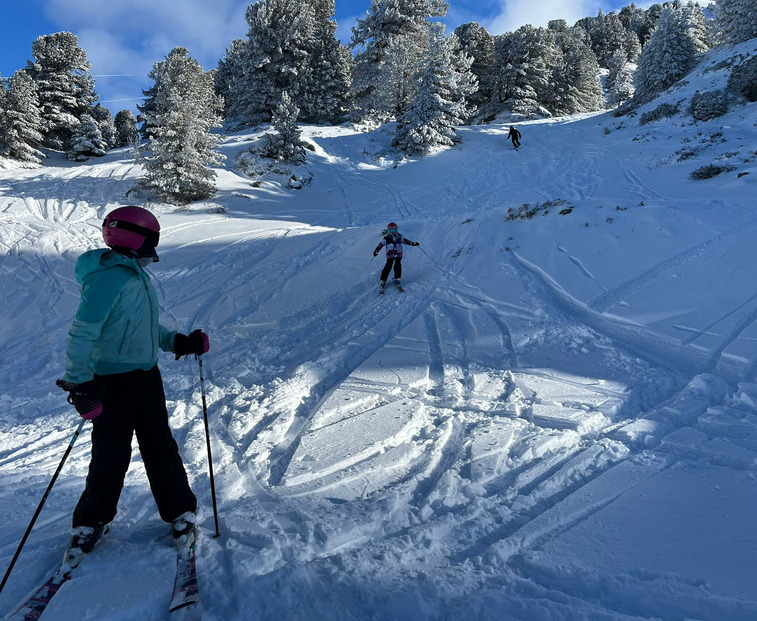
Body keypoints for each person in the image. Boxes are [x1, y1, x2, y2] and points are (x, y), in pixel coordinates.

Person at [57, 205, 210, 563]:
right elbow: (83, 332)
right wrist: (80, 384)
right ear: (133, 236)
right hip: (111, 381)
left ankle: (179, 512)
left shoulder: (135, 275)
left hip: (146, 377)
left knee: (160, 446)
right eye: (151, 238)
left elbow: (144, 328)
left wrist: (178, 342)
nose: (154, 246)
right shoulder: (108, 278)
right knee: (111, 452)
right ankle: (90, 521)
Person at [373, 222, 419, 292]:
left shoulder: (400, 236)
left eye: (394, 230)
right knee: (388, 266)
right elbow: (381, 244)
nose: (393, 232)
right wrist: (376, 250)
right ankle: (383, 280)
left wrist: (413, 243)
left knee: (397, 266)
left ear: (397, 229)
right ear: (388, 231)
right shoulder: (387, 238)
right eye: (391, 230)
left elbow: (406, 241)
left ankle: (397, 278)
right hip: (390, 255)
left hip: (398, 254)